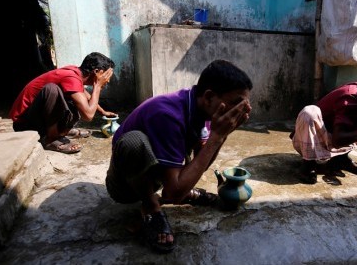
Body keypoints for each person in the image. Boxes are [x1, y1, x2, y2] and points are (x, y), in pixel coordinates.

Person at [105, 60, 253, 253]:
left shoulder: (203, 110)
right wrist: (217, 136)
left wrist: (221, 135)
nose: (241, 110)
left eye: (244, 104)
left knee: (187, 172)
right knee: (134, 142)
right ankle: (150, 206)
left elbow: (203, 161)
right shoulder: (168, 114)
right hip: (126, 185)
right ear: (209, 97)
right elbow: (171, 195)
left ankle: (183, 190)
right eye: (237, 103)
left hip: (159, 174)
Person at [9, 52, 117, 154]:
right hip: (24, 124)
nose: (107, 80)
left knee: (76, 99)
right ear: (97, 72)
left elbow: (82, 93)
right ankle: (51, 139)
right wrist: (97, 87)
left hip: (36, 118)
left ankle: (60, 131)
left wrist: (103, 111)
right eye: (106, 76)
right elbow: (88, 116)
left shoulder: (75, 74)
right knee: (51, 89)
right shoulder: (71, 77)